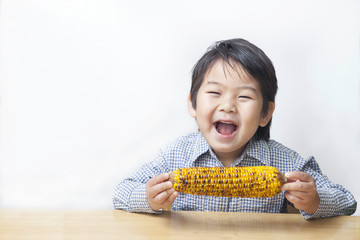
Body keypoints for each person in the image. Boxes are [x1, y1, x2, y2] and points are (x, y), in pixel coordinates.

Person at [113, 38, 357, 219]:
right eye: (215, 93)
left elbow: (347, 202)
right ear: (193, 104)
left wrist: (314, 201)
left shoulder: (285, 162)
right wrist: (147, 198)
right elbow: (121, 192)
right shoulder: (175, 157)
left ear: (265, 113)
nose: (228, 106)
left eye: (244, 97)